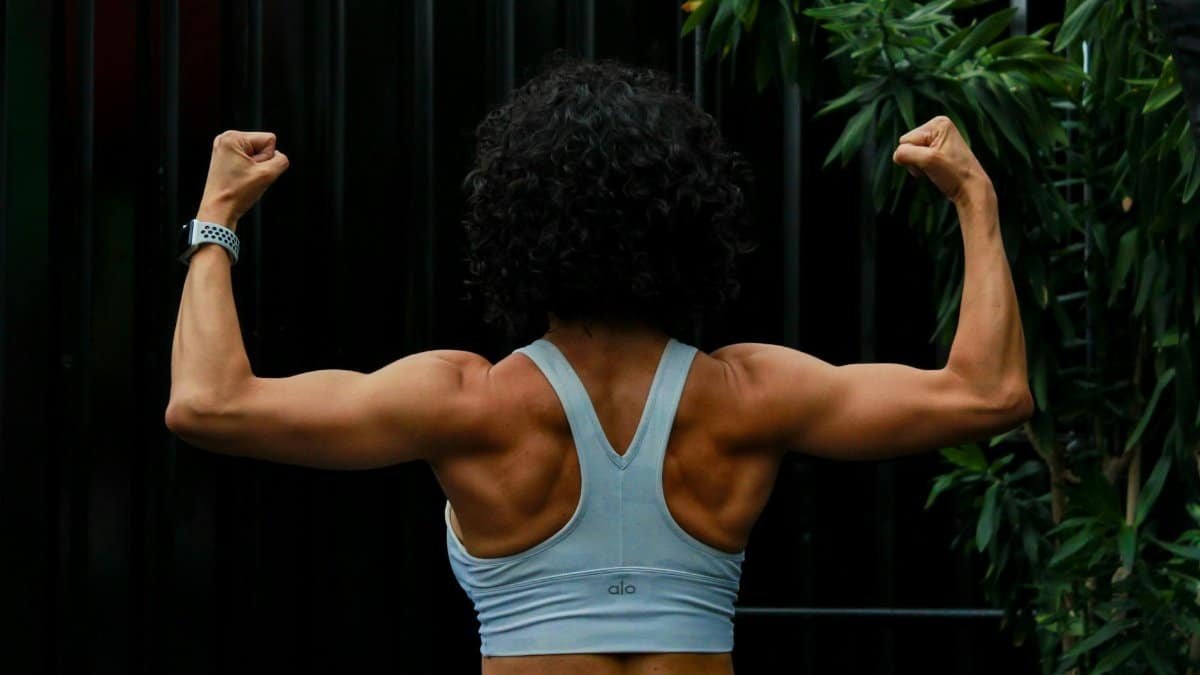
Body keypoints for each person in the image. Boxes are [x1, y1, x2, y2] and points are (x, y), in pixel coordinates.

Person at [166, 59, 1032, 675]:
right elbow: (990, 392)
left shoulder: (466, 400)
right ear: (689, 223)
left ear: (516, 224)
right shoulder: (749, 395)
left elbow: (208, 403)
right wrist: (975, 199)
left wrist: (218, 215)